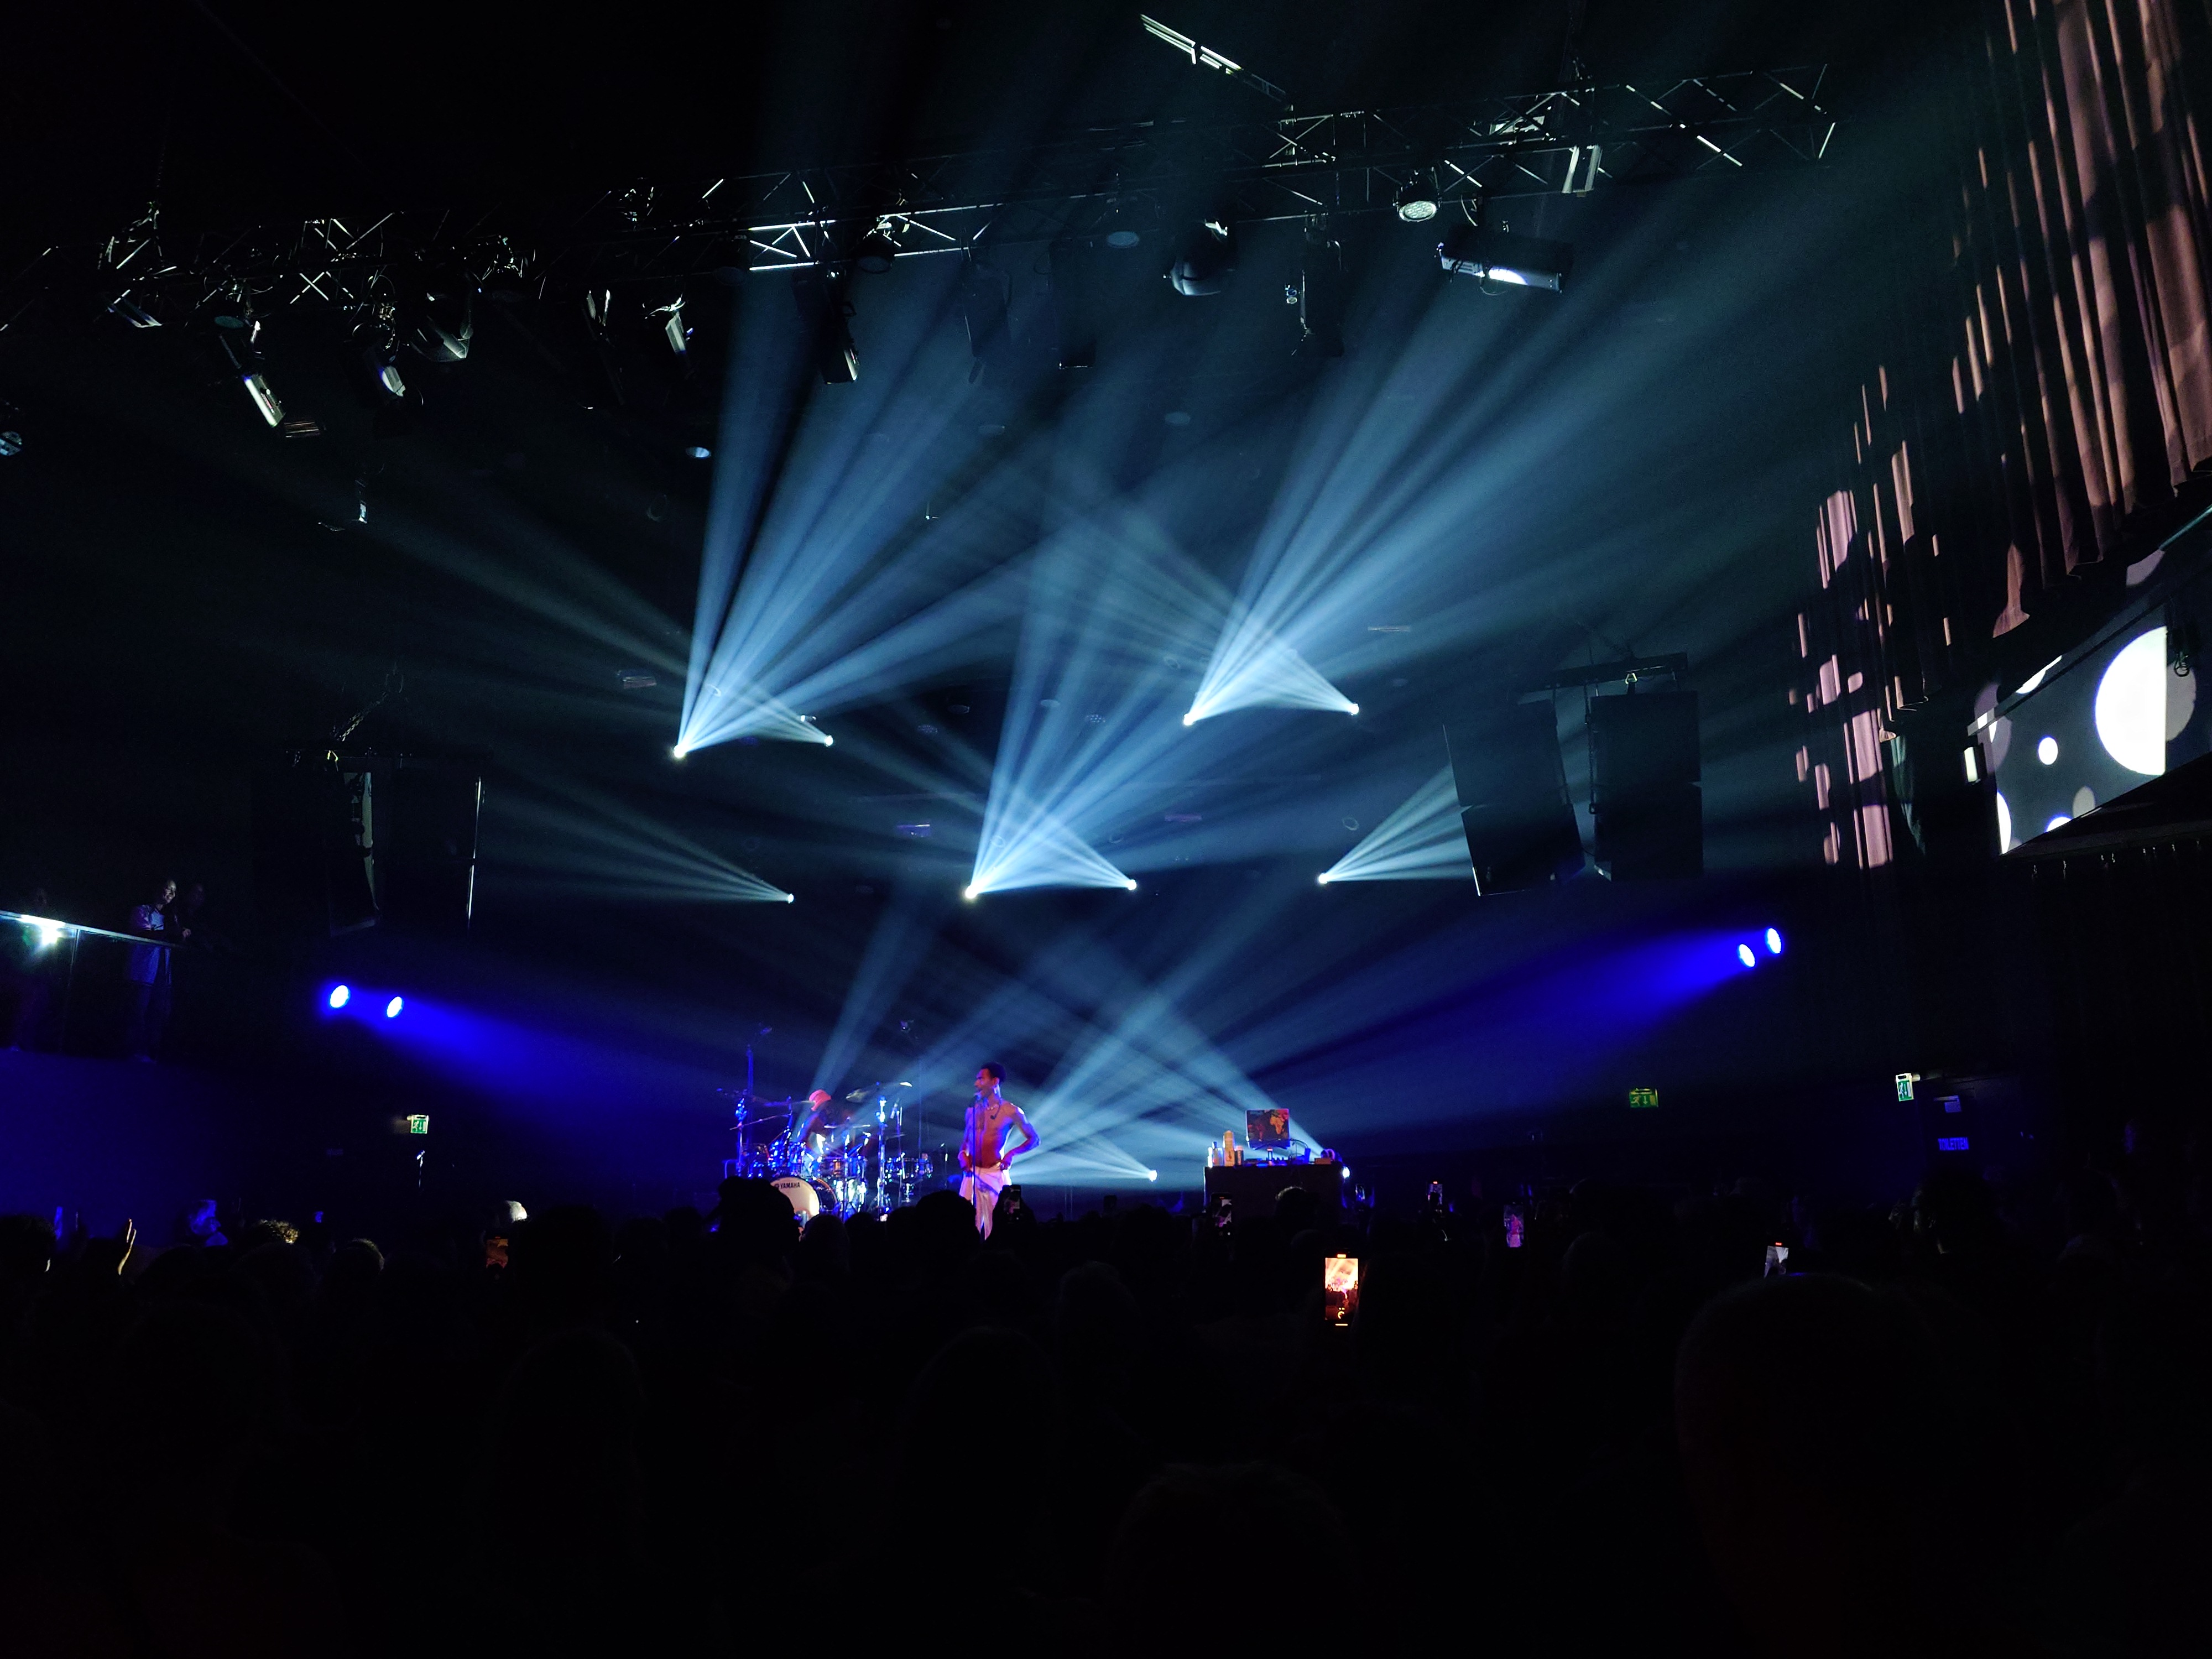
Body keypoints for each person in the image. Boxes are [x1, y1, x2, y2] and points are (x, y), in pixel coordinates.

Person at [957, 1063, 1037, 1238]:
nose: (976, 1084)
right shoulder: (972, 1110)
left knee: (1002, 1228)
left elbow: (1034, 1139)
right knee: (964, 1227)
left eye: (981, 1079)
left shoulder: (1011, 1110)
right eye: (977, 1079)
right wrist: (962, 1154)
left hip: (996, 1174)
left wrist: (1011, 1154)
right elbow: (965, 1142)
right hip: (972, 1175)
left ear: (995, 1081)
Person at [124, 877, 179, 1061]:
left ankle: (152, 1053)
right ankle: (134, 1053)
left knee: (159, 1015)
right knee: (138, 1013)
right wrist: (170, 932)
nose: (171, 893)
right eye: (168, 888)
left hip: (163, 976)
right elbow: (145, 935)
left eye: (174, 891)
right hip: (142, 973)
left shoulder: (171, 917)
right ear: (158, 888)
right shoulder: (141, 911)